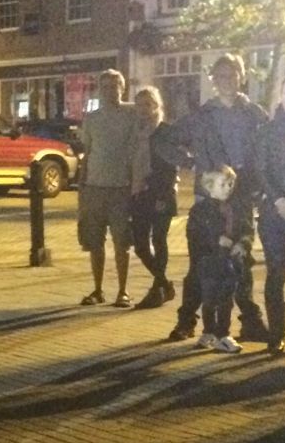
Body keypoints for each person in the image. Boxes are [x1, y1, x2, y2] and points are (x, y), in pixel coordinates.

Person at [165, 53, 269, 342]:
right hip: (208, 202)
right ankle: (187, 320)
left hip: (241, 198)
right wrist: (189, 163)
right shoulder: (202, 116)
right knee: (201, 263)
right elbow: (164, 140)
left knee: (240, 259)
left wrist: (261, 182)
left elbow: (268, 149)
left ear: (241, 77)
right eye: (220, 76)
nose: (227, 80)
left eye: (232, 74)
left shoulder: (254, 114)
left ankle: (250, 322)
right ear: (213, 80)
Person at [76, 69, 141, 308]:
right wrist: (82, 186)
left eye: (114, 86)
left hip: (120, 188)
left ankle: (123, 291)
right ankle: (97, 289)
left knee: (121, 242)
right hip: (94, 187)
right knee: (95, 242)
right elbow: (88, 152)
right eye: (105, 87)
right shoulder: (92, 118)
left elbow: (138, 147)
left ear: (122, 88)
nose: (110, 91)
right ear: (99, 90)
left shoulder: (131, 114)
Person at [255, 70, 285, 355]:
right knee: (275, 273)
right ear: (280, 96)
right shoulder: (268, 130)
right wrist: (278, 199)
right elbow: (261, 169)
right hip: (273, 211)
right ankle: (276, 334)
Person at [187, 165, 252, 353]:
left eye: (230, 183)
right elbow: (194, 235)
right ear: (209, 187)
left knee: (226, 298)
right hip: (209, 262)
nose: (228, 188)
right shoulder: (200, 210)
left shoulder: (236, 208)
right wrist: (216, 240)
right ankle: (211, 332)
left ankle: (222, 333)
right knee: (209, 298)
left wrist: (243, 244)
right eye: (222, 184)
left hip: (231, 262)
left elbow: (246, 229)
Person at [129, 86, 179, 309]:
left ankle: (158, 289)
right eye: (139, 105)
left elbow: (171, 167)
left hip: (160, 193)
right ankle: (164, 284)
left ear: (157, 106)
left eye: (147, 104)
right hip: (139, 193)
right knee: (140, 245)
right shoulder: (135, 133)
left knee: (159, 240)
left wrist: (162, 194)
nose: (143, 109)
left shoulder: (164, 132)